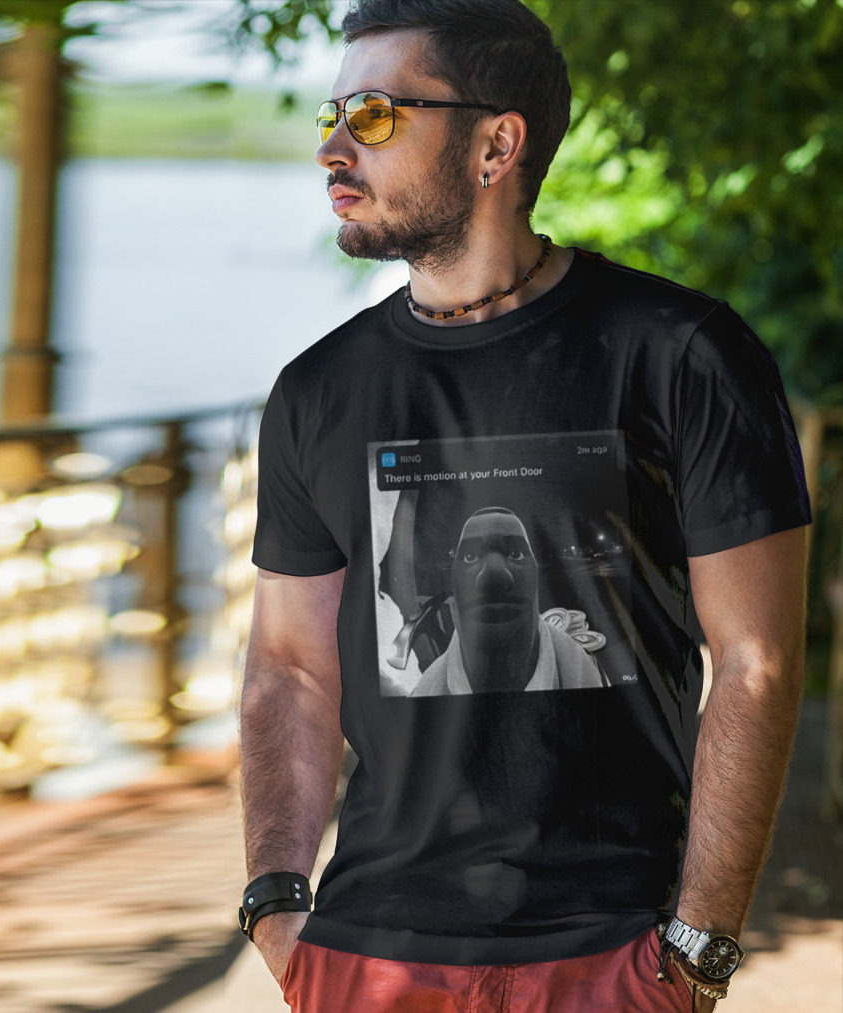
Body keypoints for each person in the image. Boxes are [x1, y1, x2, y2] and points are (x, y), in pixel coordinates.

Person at [239, 2, 811, 1011]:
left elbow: (756, 660)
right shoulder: (318, 391)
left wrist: (698, 948)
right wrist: (278, 907)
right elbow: (289, 663)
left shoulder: (681, 354)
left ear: (496, 145)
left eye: (373, 116)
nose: (332, 148)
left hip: (610, 951)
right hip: (369, 956)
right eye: (331, 117)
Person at [410, 506, 608, 695]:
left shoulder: (583, 667)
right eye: (470, 556)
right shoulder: (428, 687)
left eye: (516, 554)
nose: (494, 576)